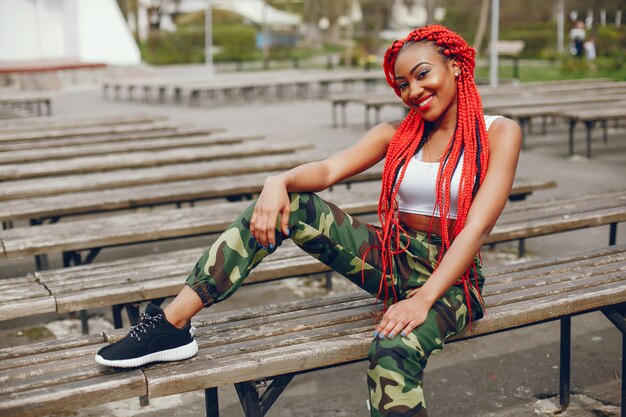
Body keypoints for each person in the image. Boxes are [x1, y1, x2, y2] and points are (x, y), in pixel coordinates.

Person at [95, 24, 522, 416]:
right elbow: (329, 170)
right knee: (292, 203)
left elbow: (477, 228)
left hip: (454, 282)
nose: (413, 90)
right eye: (403, 84)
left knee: (393, 349)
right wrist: (277, 180)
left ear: (455, 64)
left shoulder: (498, 132)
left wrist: (423, 299)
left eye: (422, 74)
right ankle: (172, 325)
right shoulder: (398, 134)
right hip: (394, 259)